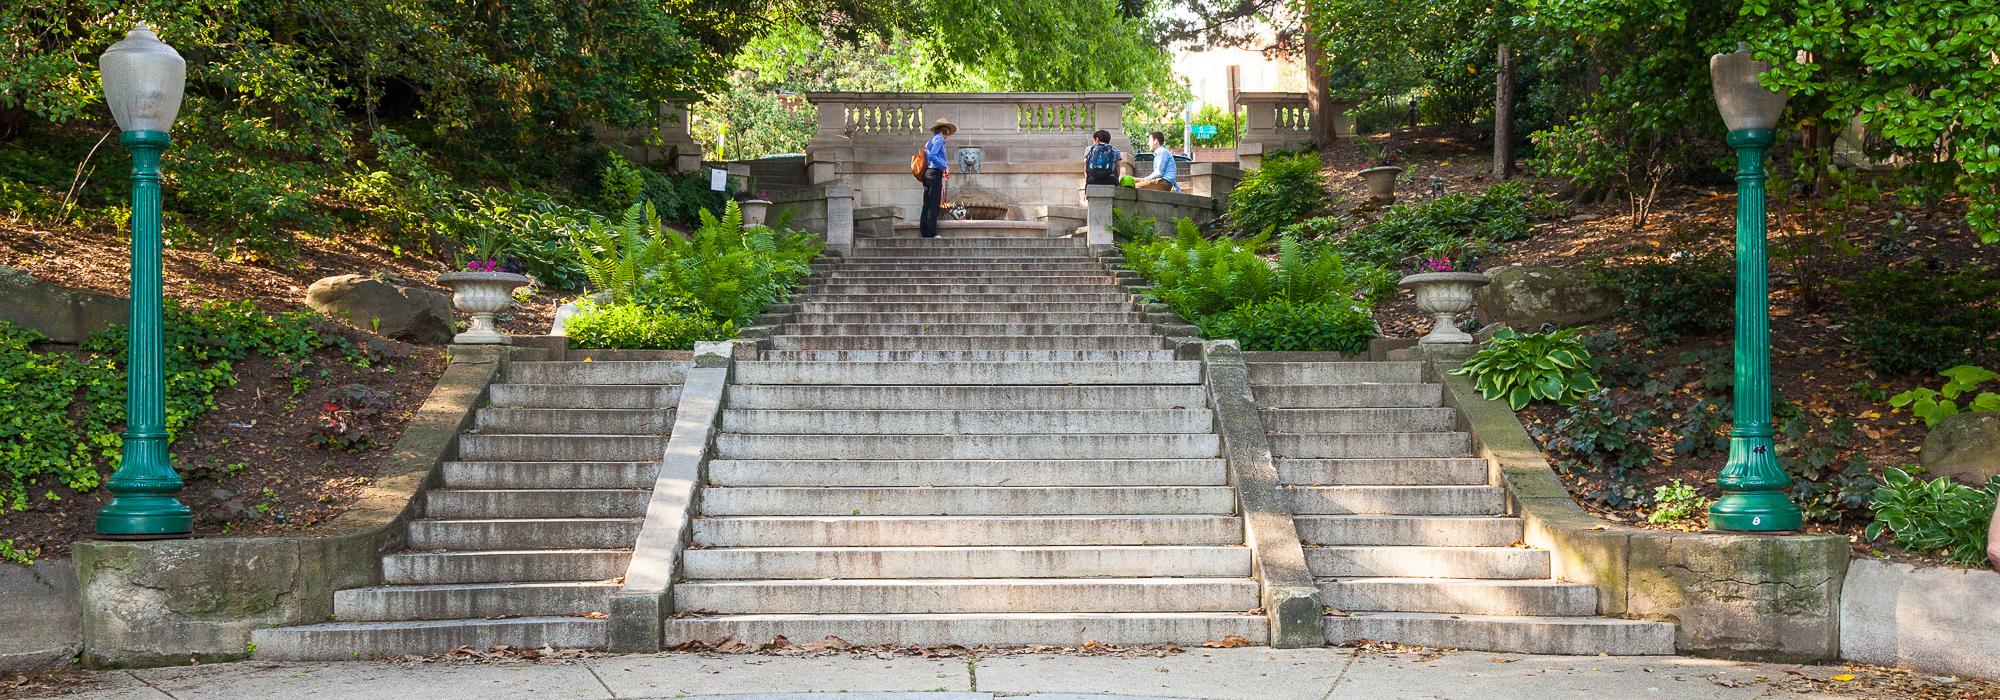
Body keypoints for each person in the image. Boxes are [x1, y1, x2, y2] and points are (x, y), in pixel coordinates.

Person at [920, 117, 955, 238]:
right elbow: (933, 157)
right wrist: (944, 166)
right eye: (948, 132)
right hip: (934, 174)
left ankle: (925, 231)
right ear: (944, 130)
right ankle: (932, 233)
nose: (948, 135)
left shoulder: (930, 141)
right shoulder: (939, 139)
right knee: (934, 204)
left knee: (927, 203)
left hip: (927, 174)